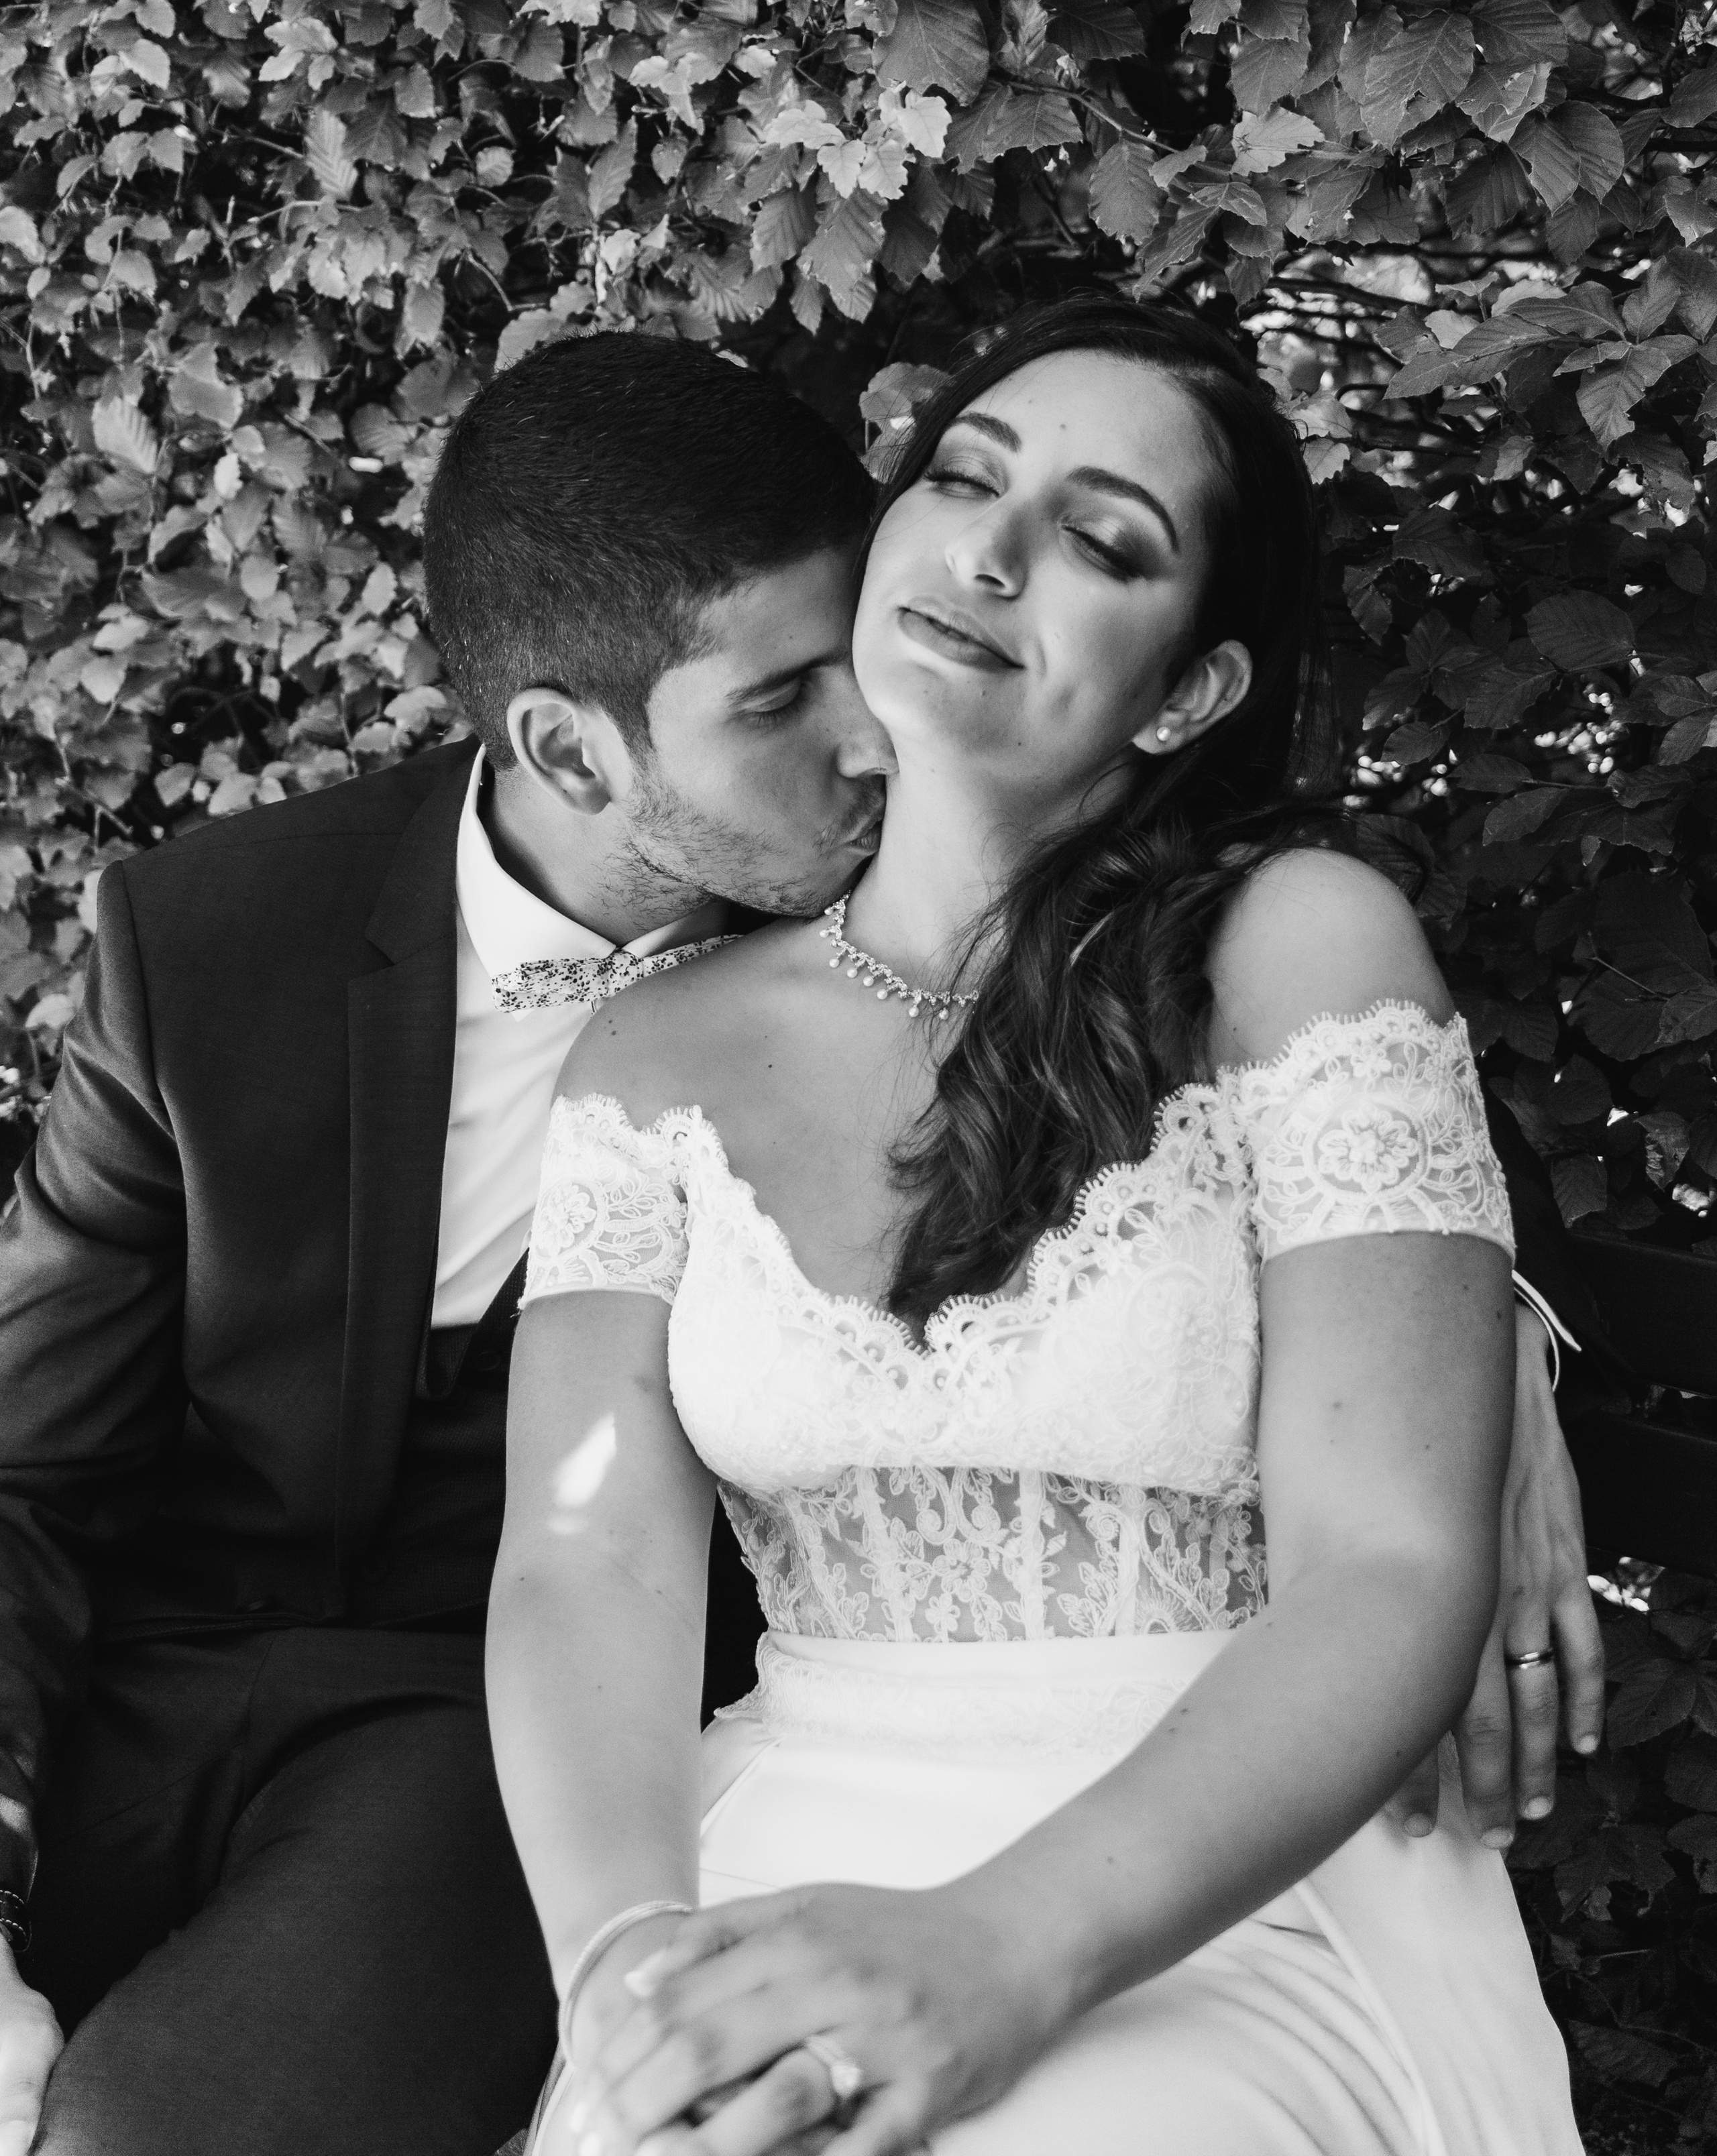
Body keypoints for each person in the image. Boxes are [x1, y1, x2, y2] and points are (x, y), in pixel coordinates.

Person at [490, 298, 1587, 2155]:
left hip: (1227, 1878)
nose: (992, 552)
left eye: (1101, 540)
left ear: (1188, 693)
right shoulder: (653, 1044)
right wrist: (624, 1969)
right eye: (962, 478)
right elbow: (586, 1564)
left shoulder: (1298, 948)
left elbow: (1393, 1567)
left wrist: (1001, 1955)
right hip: (787, 1831)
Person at [0, 335, 889, 2156]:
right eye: (783, 696)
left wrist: (1482, 1384)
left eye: (860, 658)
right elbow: (23, 1468)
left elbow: (1269, 1085)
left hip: (497, 1732)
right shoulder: (208, 936)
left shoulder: (919, 923)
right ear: (566, 745)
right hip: (134, 1689)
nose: (873, 738)